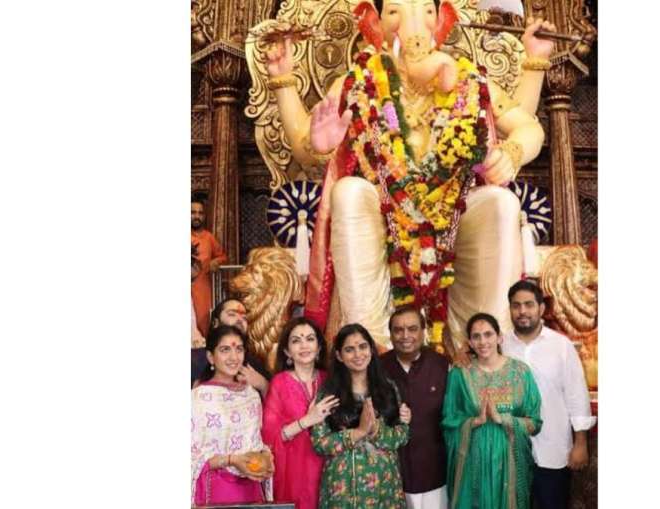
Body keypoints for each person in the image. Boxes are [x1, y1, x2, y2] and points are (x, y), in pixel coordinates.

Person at [265, 0, 558, 349]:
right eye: (395, 12)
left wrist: (512, 152)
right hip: (384, 217)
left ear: (442, 19)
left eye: (425, 11)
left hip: (454, 217)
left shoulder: (468, 80)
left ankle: (480, 349)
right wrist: (287, 88)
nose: (412, 23)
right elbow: (304, 145)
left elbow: (527, 127)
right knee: (349, 191)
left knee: (501, 201)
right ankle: (369, 347)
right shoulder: (359, 82)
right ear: (376, 22)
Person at [502, 280, 596, 509]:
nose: (522, 311)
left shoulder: (560, 346)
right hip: (510, 448)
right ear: (510, 309)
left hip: (552, 448)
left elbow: (576, 394)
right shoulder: (500, 344)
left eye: (528, 304)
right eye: (516, 305)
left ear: (541, 309)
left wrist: (580, 442)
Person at [442, 313, 541, 509]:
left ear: (499, 337)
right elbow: (448, 418)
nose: (482, 341)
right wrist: (472, 422)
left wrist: (503, 419)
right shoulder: (459, 374)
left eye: (488, 334)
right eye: (476, 336)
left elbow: (534, 422)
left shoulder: (520, 372)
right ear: (469, 342)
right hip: (472, 461)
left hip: (511, 459)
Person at [311, 323, 412, 508]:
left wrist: (375, 432)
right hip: (343, 489)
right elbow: (319, 443)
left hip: (384, 484)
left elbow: (402, 434)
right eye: (350, 349)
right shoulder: (328, 393)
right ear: (339, 356)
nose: (358, 355)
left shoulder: (388, 388)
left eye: (363, 347)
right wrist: (358, 432)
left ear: (371, 350)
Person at [191, 325, 274, 506]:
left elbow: (258, 440)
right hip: (216, 489)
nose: (233, 357)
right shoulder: (197, 398)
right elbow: (192, 456)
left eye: (239, 349)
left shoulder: (251, 394)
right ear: (211, 357)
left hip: (252, 486)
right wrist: (232, 460)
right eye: (225, 350)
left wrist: (266, 457)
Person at [262, 317, 339, 509]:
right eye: (296, 340)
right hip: (293, 472)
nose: (304, 345)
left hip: (330, 469)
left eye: (310, 339)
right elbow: (271, 437)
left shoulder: (331, 381)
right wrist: (307, 420)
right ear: (287, 351)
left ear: (319, 347)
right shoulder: (279, 383)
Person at [380, 307, 450, 509]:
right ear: (390, 334)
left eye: (412, 329)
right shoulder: (377, 368)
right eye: (398, 330)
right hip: (391, 473)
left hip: (434, 470)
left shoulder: (442, 365)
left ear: (423, 331)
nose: (405, 336)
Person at [191, 297, 272, 395]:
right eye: (232, 314)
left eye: (244, 318)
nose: (239, 320)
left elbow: (277, 405)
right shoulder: (193, 360)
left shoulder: (254, 364)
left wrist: (263, 384)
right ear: (215, 323)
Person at [191, 194, 227, 336]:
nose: (196, 216)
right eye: (193, 212)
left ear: (204, 216)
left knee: (203, 322)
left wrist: (215, 261)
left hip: (203, 289)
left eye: (200, 213)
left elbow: (223, 256)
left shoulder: (209, 237)